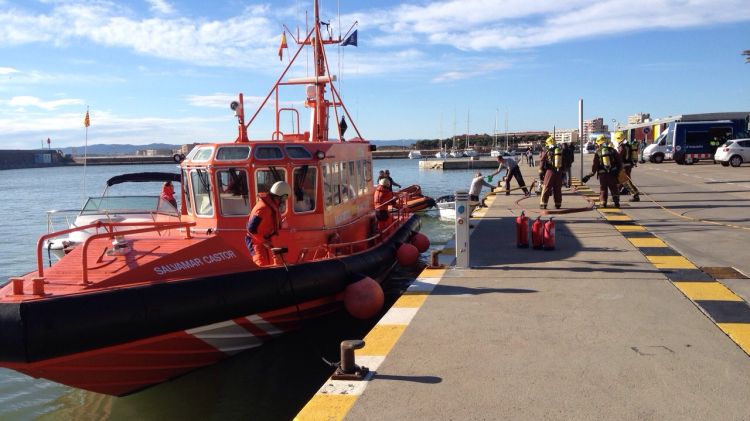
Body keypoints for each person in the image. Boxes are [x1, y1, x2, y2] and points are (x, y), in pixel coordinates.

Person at [246, 181, 290, 266]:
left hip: (263, 240)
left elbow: (269, 221)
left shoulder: (270, 205)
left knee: (269, 264)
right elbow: (251, 228)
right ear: (282, 197)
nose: (284, 201)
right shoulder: (263, 208)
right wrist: (263, 241)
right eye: (285, 198)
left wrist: (281, 224)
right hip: (255, 241)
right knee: (262, 264)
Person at [582, 135, 621, 208]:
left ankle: (603, 203)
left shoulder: (598, 152)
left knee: (603, 189)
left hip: (602, 175)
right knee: (614, 188)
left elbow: (595, 165)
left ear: (598, 143)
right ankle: (616, 203)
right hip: (612, 174)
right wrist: (618, 172)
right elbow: (619, 162)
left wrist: (589, 175)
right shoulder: (613, 150)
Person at [538, 136, 563, 209]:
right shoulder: (559, 150)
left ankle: (543, 203)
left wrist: (540, 171)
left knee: (546, 187)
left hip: (550, 171)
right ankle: (558, 204)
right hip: (558, 172)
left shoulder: (546, 150)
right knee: (557, 188)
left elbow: (542, 161)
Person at [615, 132, 640, 202]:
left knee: (625, 181)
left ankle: (635, 195)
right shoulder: (628, 145)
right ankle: (616, 196)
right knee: (621, 181)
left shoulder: (621, 146)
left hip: (624, 166)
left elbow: (619, 157)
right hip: (628, 165)